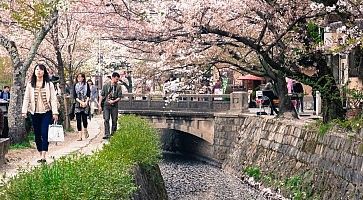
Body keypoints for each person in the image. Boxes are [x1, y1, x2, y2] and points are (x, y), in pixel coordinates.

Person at [21, 64, 59, 163]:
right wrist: (24, 111)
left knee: (44, 132)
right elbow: (26, 98)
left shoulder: (49, 84)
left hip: (47, 112)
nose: (39, 71)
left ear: (44, 72)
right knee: (37, 134)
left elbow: (53, 99)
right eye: (37, 69)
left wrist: (55, 112)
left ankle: (43, 156)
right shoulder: (30, 84)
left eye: (41, 70)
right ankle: (40, 151)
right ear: (34, 71)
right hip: (34, 112)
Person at [98, 72, 122, 139]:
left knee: (114, 120)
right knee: (106, 119)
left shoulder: (119, 87)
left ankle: (113, 133)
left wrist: (114, 101)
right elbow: (102, 95)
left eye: (118, 79)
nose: (117, 81)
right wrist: (99, 105)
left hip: (114, 105)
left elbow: (119, 97)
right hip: (106, 105)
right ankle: (107, 134)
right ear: (113, 77)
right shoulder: (106, 85)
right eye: (116, 79)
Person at [73, 73, 90, 141]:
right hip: (78, 104)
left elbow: (89, 94)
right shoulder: (75, 85)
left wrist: (86, 102)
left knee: (84, 119)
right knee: (78, 120)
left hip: (85, 103)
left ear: (83, 78)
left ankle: (85, 130)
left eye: (80, 77)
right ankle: (80, 136)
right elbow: (75, 96)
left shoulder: (86, 85)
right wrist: (80, 102)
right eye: (78, 77)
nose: (79, 78)